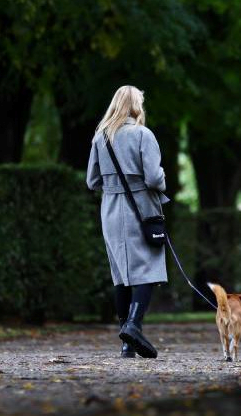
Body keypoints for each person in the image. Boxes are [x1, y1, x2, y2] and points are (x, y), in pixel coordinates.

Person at [86, 85, 170, 359]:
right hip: (141, 207)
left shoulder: (101, 137)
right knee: (147, 268)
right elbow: (154, 178)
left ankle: (126, 342)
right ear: (136, 105)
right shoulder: (143, 134)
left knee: (121, 274)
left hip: (110, 209)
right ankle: (134, 325)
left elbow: (91, 181)